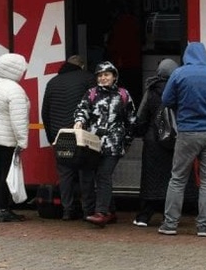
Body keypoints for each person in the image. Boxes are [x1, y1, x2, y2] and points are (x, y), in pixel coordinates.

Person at [158, 42, 206, 238]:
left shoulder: (179, 74)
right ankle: (203, 226)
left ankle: (170, 224)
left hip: (188, 132)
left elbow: (166, 100)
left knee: (178, 179)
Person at [73, 61, 137, 227]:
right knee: (89, 176)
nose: (103, 78)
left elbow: (131, 120)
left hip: (114, 143)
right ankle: (108, 211)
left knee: (103, 175)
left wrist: (127, 141)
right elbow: (82, 110)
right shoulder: (91, 93)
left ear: (114, 76)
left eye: (107, 75)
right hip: (93, 143)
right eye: (100, 75)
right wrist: (79, 121)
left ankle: (101, 212)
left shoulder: (123, 94)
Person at [41, 54, 96, 220]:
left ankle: (67, 210)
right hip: (81, 135)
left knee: (65, 174)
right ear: (82, 66)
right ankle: (88, 210)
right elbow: (95, 106)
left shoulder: (52, 82)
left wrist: (52, 137)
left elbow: (45, 113)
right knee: (85, 173)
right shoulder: (88, 78)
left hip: (61, 135)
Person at [0, 52, 31, 223]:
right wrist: (22, 141)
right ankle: (3, 210)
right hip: (7, 138)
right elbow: (19, 120)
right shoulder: (15, 90)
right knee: (6, 174)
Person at [131, 58, 179, 227]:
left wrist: (139, 132)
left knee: (150, 179)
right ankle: (170, 217)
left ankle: (144, 216)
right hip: (174, 140)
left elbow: (141, 116)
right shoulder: (179, 89)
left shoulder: (151, 90)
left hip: (153, 141)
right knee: (172, 179)